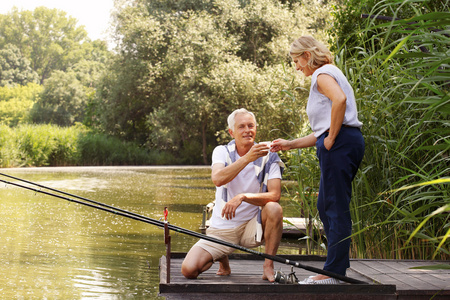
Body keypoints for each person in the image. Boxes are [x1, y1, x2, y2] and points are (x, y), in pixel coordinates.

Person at [271, 36, 365, 284]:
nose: (296, 67)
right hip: (346, 141)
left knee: (335, 208)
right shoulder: (331, 72)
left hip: (341, 143)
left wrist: (332, 137)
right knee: (326, 205)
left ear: (307, 55)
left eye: (295, 60)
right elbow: (322, 131)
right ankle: (336, 269)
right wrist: (290, 144)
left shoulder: (321, 75)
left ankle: (334, 274)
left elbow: (340, 102)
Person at [181, 108, 284, 282]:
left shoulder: (269, 155)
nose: (247, 130)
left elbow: (275, 195)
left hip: (253, 226)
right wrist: (247, 158)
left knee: (274, 208)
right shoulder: (222, 151)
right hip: (222, 230)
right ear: (232, 132)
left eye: (251, 126)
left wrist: (243, 196)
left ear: (256, 128)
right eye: (241, 127)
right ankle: (223, 260)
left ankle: (268, 266)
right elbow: (218, 179)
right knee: (189, 270)